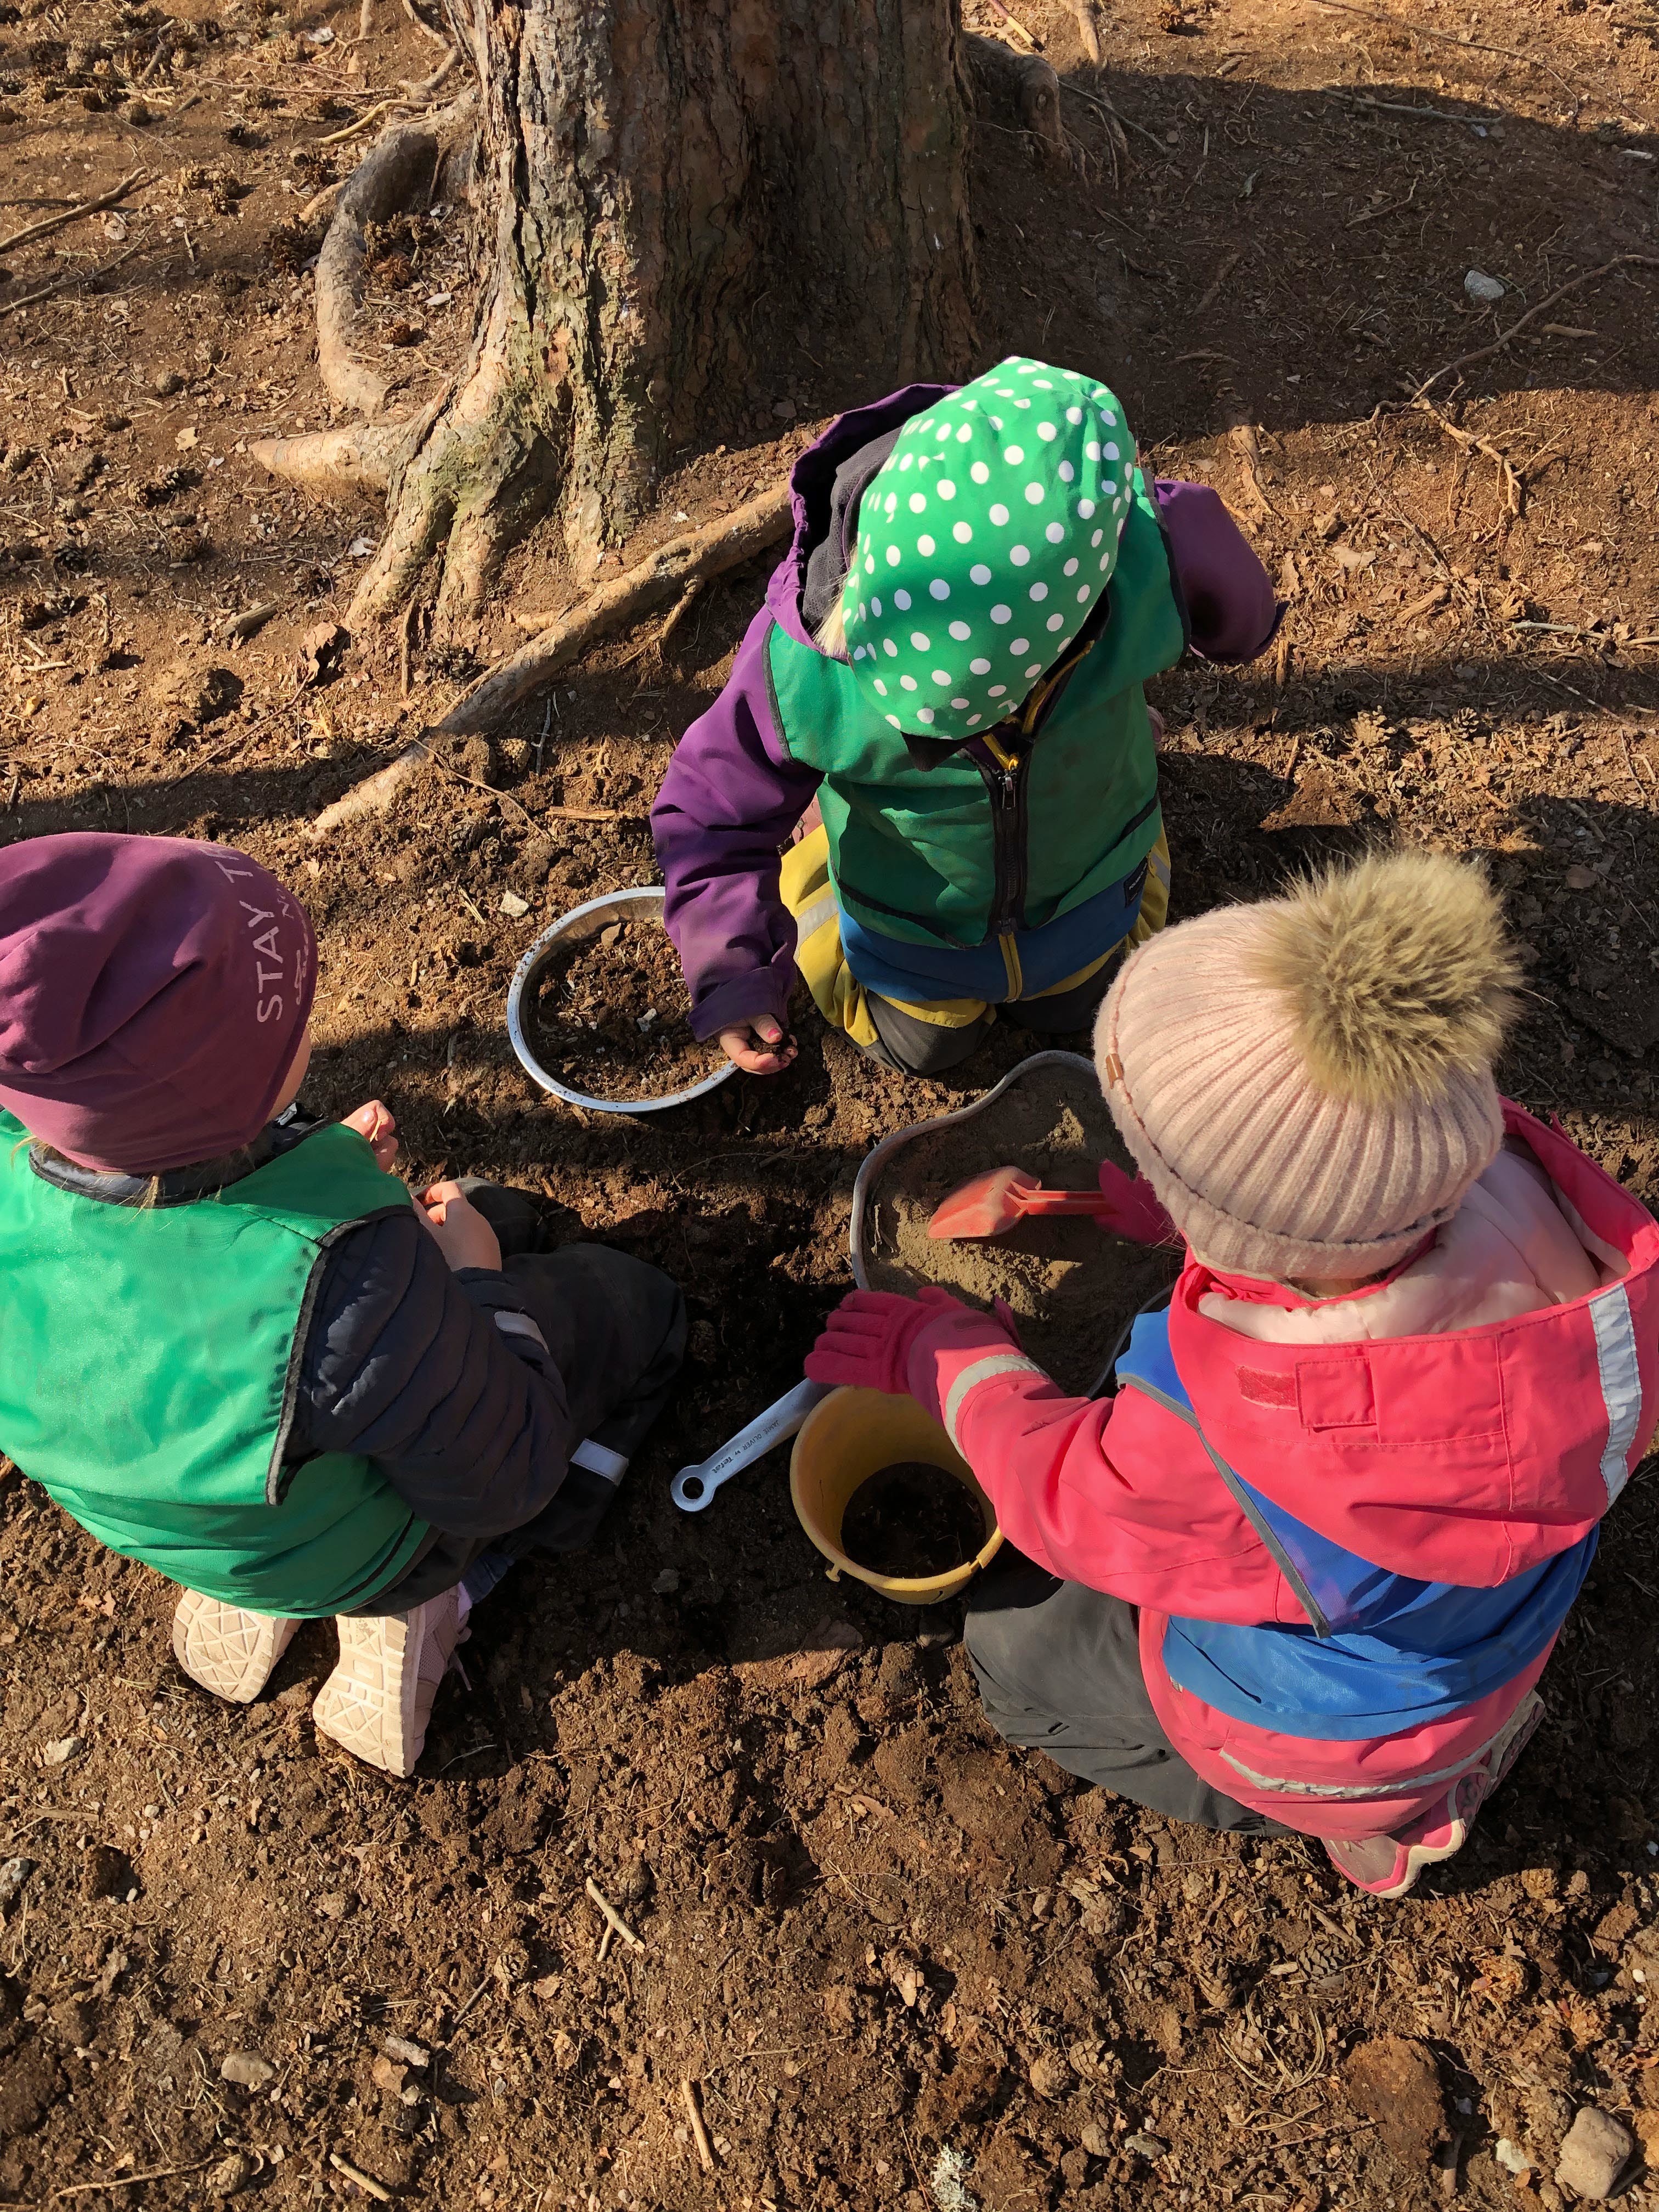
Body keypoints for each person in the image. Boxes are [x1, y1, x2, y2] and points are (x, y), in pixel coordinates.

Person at [807, 850, 1659, 1895]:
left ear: (1257, 1236)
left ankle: (1349, 1816)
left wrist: (947, 1356)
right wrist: (1182, 1220)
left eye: (1164, 1168)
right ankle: (1437, 1753)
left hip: (1329, 1730)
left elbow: (1067, 1500)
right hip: (1496, 1608)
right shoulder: (1536, 1210)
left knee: (1013, 1658)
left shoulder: (1247, 1435)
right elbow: (1335, 1217)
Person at [0, 833, 685, 1777]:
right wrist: (474, 1276)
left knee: (460, 1250)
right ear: (225, 1106)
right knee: (629, 1303)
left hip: (201, 1519)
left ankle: (258, 1589)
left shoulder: (30, 1130)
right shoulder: (347, 1289)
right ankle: (445, 1594)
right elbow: (508, 1470)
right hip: (383, 1546)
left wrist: (299, 1159)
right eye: (287, 1033)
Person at [652, 356, 1278, 1080]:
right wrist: (735, 970)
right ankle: (817, 862)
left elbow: (1219, 582)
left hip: (1089, 895)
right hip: (914, 933)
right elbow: (711, 812)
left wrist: (1182, 548)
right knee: (927, 1046)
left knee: (1077, 1005)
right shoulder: (803, 662)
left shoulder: (1148, 550)